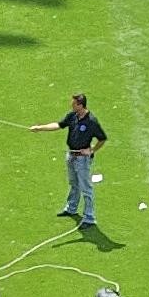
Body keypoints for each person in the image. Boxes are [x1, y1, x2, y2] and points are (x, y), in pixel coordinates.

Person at [29, 93, 107, 228]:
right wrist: (40, 128)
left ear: (80, 105)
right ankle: (71, 208)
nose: (71, 105)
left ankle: (89, 218)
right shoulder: (72, 116)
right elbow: (58, 125)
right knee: (73, 183)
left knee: (86, 188)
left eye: (74, 104)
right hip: (71, 155)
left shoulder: (91, 121)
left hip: (82, 159)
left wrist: (92, 150)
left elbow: (102, 138)